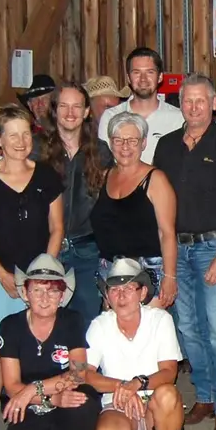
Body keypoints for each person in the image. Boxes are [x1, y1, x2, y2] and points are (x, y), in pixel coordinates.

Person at [154, 73, 216, 430]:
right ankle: (205, 396)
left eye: (200, 100)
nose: (193, 107)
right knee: (189, 330)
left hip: (215, 247)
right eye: (187, 100)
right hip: (176, 248)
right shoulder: (165, 147)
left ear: (214, 103)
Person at [0, 104, 65, 430]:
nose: (20, 141)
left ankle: (43, 404)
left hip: (39, 275)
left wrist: (43, 275)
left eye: (25, 134)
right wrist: (1, 274)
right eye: (12, 135)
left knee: (42, 338)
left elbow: (57, 228)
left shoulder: (47, 175)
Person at [0, 255, 103, 430]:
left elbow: (78, 373)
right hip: (31, 407)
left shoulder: (71, 320)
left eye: (53, 291)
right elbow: (11, 386)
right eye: (37, 290)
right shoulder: (10, 326)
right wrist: (51, 397)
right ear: (25, 293)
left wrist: (35, 387)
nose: (44, 298)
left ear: (62, 295)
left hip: (59, 397)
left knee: (85, 401)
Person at [83, 258, 188, 430]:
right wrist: (122, 386)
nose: (121, 295)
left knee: (168, 395)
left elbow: (169, 372)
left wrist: (137, 384)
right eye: (115, 289)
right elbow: (84, 374)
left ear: (142, 293)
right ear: (107, 296)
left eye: (129, 288)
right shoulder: (99, 325)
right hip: (118, 401)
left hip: (154, 402)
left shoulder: (160, 319)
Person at [41, 85, 112, 327]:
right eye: (64, 106)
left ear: (86, 112)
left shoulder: (101, 151)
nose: (70, 113)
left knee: (90, 322)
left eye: (76, 106)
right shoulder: (36, 150)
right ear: (55, 110)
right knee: (48, 321)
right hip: (46, 246)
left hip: (87, 250)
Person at [91, 112, 179, 301]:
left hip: (147, 274)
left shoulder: (156, 180)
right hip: (110, 273)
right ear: (110, 143)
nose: (125, 147)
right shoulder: (105, 176)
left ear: (144, 143)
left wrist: (170, 277)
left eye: (132, 140)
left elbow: (168, 233)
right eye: (118, 140)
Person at [96, 48, 185, 164]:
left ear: (160, 77)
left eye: (150, 72)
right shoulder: (110, 117)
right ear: (128, 78)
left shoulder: (178, 118)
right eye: (136, 72)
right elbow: (104, 166)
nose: (143, 79)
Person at [18, 73, 59, 148]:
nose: (40, 104)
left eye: (45, 98)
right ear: (30, 105)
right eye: (35, 100)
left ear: (54, 102)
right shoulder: (24, 137)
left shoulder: (64, 134)